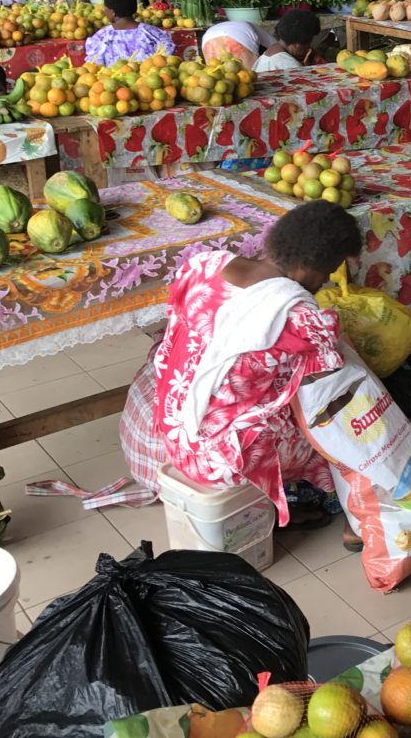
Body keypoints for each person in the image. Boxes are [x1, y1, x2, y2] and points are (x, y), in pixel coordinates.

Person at [153, 200, 363, 530]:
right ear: (310, 265)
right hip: (222, 460)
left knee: (269, 387)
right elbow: (333, 381)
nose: (326, 280)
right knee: (338, 413)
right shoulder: (301, 319)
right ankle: (341, 508)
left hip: (172, 429)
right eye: (329, 270)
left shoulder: (203, 266)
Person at [85, 0, 175, 66]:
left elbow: (93, 66)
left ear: (112, 12)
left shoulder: (101, 37)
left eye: (105, 8)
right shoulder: (152, 33)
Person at [254, 9, 325, 72]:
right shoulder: (292, 67)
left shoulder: (269, 53)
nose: (309, 48)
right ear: (297, 45)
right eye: (308, 44)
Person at [201, 20, 275, 69]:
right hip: (239, 35)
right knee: (247, 77)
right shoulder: (273, 42)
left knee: (215, 74)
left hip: (208, 38)